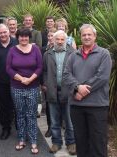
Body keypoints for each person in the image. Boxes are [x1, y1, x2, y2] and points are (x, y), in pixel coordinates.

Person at [63, 24, 112, 157]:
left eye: (89, 34)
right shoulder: (73, 55)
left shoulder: (104, 54)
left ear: (95, 36)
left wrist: (82, 91)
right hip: (77, 107)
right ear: (80, 37)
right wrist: (77, 88)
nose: (86, 37)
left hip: (97, 106)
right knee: (81, 141)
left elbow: (102, 77)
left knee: (98, 143)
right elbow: (66, 75)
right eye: (84, 35)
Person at [6, 27, 42, 154]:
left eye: (26, 36)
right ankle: (21, 139)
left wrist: (30, 79)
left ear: (29, 37)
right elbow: (9, 68)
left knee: (31, 114)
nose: (24, 38)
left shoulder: (36, 49)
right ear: (18, 37)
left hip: (32, 87)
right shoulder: (12, 50)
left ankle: (33, 140)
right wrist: (21, 79)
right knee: (20, 114)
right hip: (17, 87)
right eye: (21, 36)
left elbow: (39, 67)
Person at [43, 30, 76, 155]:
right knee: (54, 120)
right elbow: (44, 71)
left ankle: (71, 143)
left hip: (68, 92)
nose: (60, 41)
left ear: (66, 40)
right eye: (58, 39)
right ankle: (56, 143)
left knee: (69, 121)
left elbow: (76, 71)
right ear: (54, 40)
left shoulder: (73, 53)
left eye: (62, 39)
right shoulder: (47, 54)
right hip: (52, 91)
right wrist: (46, 83)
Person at [0, 23, 17, 140]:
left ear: (8, 32)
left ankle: (18, 126)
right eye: (0, 33)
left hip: (17, 81)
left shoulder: (16, 43)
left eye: (4, 32)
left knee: (16, 105)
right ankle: (5, 128)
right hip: (0, 82)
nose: (3, 34)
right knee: (2, 107)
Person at [41, 29, 56, 138]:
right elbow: (42, 69)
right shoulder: (43, 50)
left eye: (52, 36)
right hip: (48, 84)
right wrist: (44, 83)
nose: (50, 38)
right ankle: (50, 127)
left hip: (61, 85)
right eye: (49, 36)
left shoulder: (64, 50)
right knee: (50, 107)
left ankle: (59, 126)